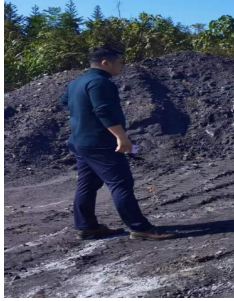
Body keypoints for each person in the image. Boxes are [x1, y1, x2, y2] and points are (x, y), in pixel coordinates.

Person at [60, 45, 174, 240]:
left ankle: (86, 226)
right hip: (100, 143)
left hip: (80, 141)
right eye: (120, 62)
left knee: (87, 184)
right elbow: (103, 111)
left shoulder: (77, 82)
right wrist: (121, 137)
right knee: (121, 183)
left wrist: (83, 117)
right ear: (105, 63)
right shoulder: (101, 83)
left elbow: (65, 102)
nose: (122, 66)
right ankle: (140, 227)